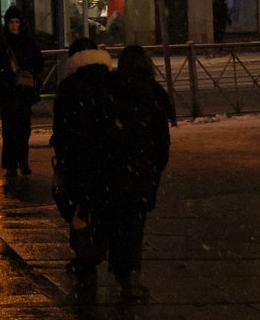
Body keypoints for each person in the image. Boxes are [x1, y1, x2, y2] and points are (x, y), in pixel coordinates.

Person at [50, 40, 121, 302]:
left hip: (78, 157)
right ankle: (98, 249)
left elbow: (62, 125)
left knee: (77, 204)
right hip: (108, 156)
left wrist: (63, 148)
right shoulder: (111, 82)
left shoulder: (69, 87)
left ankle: (84, 255)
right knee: (100, 203)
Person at [103, 46, 176, 302]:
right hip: (141, 171)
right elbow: (161, 142)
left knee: (118, 223)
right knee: (134, 225)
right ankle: (131, 279)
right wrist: (154, 167)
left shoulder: (110, 90)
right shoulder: (152, 94)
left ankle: (121, 273)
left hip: (114, 169)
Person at [0, 8, 46, 179]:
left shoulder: (27, 42)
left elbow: (39, 63)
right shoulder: (2, 43)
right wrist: (3, 82)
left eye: (16, 22)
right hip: (11, 93)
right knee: (10, 130)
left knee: (22, 130)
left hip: (22, 93)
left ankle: (21, 162)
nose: (14, 26)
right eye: (11, 22)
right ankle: (11, 165)